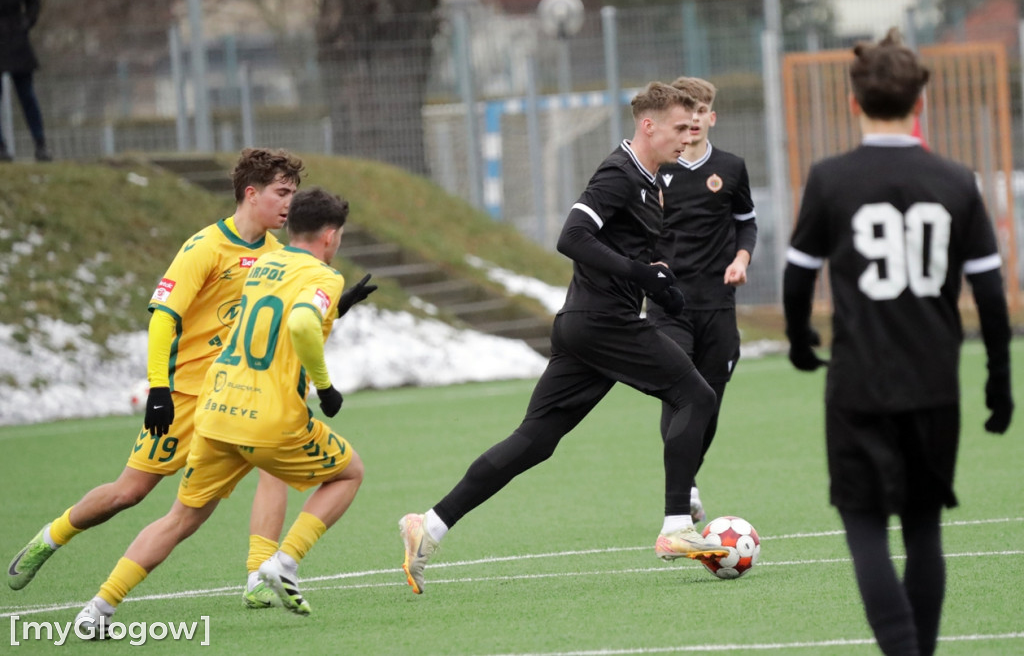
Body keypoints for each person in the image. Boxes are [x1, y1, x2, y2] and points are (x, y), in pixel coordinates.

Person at [398, 81, 729, 596]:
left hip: (584, 327)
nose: (688, 138)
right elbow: (570, 238)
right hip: (603, 323)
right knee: (695, 395)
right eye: (680, 128)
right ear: (649, 125)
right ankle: (674, 527)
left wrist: (659, 283)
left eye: (693, 128)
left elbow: (624, 255)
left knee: (535, 441)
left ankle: (430, 525)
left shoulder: (651, 182)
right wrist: (641, 277)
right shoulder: (619, 173)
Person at [783, 29, 1013, 656]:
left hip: (858, 381)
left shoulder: (830, 178)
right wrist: (999, 381)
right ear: (922, 101)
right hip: (934, 381)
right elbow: (991, 297)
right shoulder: (956, 180)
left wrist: (801, 340)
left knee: (864, 526)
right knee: (923, 529)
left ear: (854, 103)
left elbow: (798, 275)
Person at [7, 148, 304, 609]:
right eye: (281, 193)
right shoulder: (204, 247)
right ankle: (52, 536)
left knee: (272, 466)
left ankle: (258, 576)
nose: (289, 204)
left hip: (236, 397)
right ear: (251, 193)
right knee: (128, 493)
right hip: (184, 397)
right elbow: (163, 318)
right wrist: (159, 389)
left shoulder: (277, 255)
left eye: (293, 194)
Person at [73, 187, 369, 633]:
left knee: (179, 518)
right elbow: (302, 321)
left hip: (218, 408)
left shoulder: (263, 263)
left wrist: (336, 311)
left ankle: (98, 608)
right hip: (271, 416)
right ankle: (283, 562)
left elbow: (268, 315)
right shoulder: (325, 276)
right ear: (330, 237)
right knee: (349, 473)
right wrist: (325, 387)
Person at [647, 76, 757, 522]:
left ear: (710, 117)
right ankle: (683, 489)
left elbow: (746, 223)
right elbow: (638, 232)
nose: (692, 119)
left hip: (718, 303)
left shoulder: (730, 168)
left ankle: (688, 475)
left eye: (700, 110)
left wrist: (742, 258)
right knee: (679, 394)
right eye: (685, 109)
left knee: (709, 399)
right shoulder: (656, 170)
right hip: (668, 305)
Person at [0, 0, 49, 162]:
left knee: (27, 95)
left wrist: (27, 22)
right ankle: (1, 148)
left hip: (17, 42)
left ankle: (40, 145)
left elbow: (34, 2)